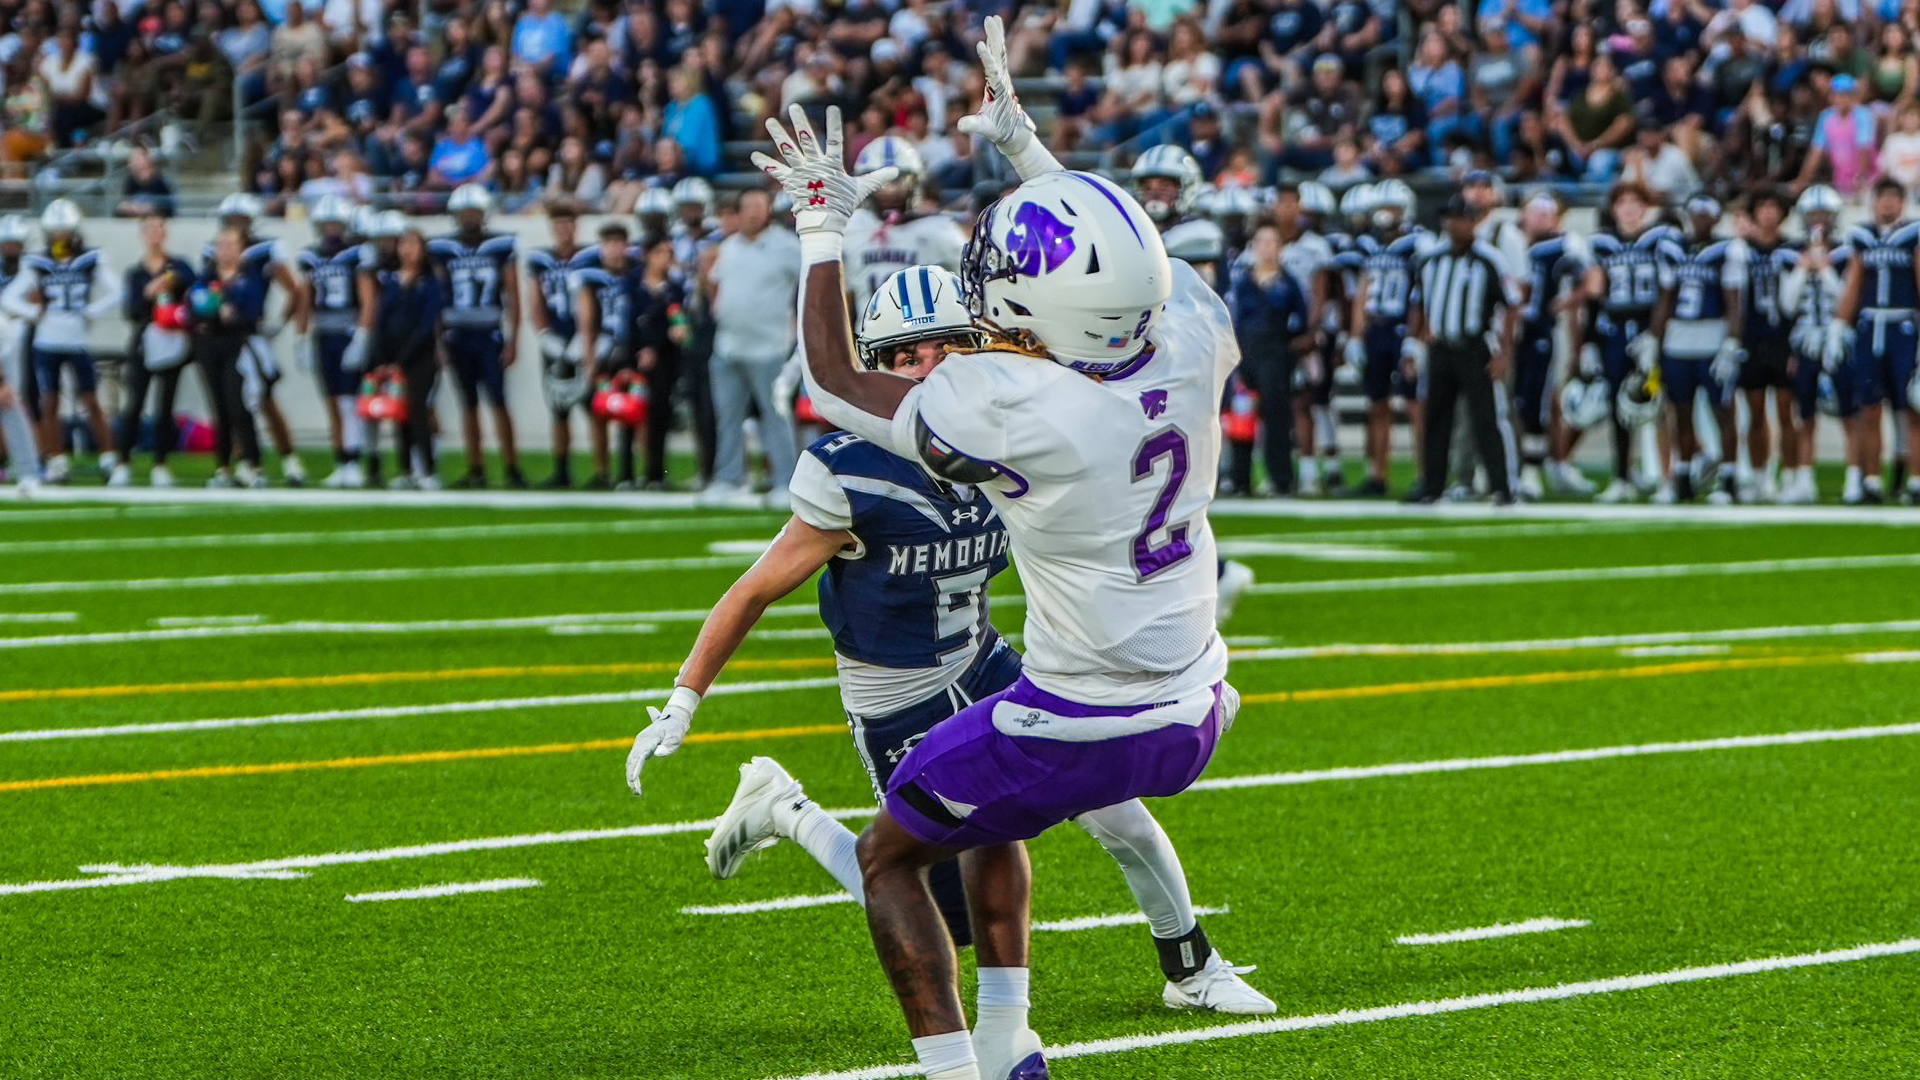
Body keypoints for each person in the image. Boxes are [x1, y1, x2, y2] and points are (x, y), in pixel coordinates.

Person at [730, 23, 1241, 1075]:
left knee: (889, 856)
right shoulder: (1193, 322)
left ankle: (955, 1071)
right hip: (1198, 709)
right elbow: (1115, 260)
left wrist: (823, 227)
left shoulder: (1021, 410)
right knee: (993, 816)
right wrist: (1028, 153)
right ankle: (1015, 1043)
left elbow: (828, 381)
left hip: (1082, 718)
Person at [632, 264, 1271, 1030]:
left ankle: (1191, 963)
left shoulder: (1010, 440)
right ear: (878, 367)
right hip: (896, 693)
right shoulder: (852, 473)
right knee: (928, 893)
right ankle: (789, 809)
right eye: (907, 357)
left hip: (986, 661)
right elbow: (753, 591)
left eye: (945, 349)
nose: (928, 370)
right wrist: (682, 699)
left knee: (1118, 809)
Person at [1406, 194, 1518, 504]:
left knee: (1488, 418)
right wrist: (1412, 345)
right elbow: (1419, 303)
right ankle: (1432, 485)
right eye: (1448, 219)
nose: (1452, 225)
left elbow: (1511, 305)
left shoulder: (1489, 258)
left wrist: (1503, 352)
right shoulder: (1432, 258)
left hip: (1475, 346)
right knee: (1436, 418)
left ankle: (1503, 486)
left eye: (1458, 218)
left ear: (1472, 222)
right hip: (1441, 346)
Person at [0, 199, 120, 486]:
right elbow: (8, 298)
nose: (60, 237)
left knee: (91, 399)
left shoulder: (91, 259)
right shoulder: (37, 263)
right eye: (55, 232)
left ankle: (108, 457)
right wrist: (36, 314)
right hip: (47, 340)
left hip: (77, 339)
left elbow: (116, 291)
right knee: (49, 401)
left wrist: (92, 312)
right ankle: (55, 458)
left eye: (64, 231)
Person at [1583, 183, 1684, 503]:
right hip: (1614, 331)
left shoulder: (1659, 240)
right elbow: (1594, 294)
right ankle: (1623, 477)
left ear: (1646, 207)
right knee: (1619, 407)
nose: (1628, 209)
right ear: (1613, 209)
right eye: (1621, 202)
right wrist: (1588, 341)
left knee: (1658, 403)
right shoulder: (1602, 244)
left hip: (1646, 329)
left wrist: (1654, 335)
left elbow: (1668, 290)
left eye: (1634, 202)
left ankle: (1668, 477)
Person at [704, 187, 801, 508]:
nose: (753, 212)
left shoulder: (787, 247)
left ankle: (785, 480)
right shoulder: (729, 247)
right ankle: (729, 479)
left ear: (768, 210)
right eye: (748, 206)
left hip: (770, 347)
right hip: (728, 346)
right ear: (739, 210)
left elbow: (810, 285)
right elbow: (714, 283)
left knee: (776, 416)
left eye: (759, 206)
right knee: (727, 416)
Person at [1649, 194, 1745, 504]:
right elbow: (1666, 296)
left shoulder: (1727, 250)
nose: (1700, 218)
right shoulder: (1672, 249)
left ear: (1717, 218)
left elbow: (1734, 300)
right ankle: (1682, 475)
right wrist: (1654, 337)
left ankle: (1728, 479)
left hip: (1711, 336)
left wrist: (1732, 342)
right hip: (1678, 339)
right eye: (1695, 213)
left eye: (1706, 213)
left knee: (1723, 410)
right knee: (1680, 410)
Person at [206, 193, 307, 486]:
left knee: (264, 399)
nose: (236, 225)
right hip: (224, 336)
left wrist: (278, 324)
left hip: (252, 334)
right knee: (234, 402)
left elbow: (295, 289)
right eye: (231, 220)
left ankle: (289, 460)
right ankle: (244, 463)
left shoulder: (264, 250)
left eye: (242, 220)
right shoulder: (216, 252)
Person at [429, 183, 526, 488]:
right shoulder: (442, 249)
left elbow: (512, 294)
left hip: (490, 332)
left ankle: (512, 467)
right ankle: (477, 468)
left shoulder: (500, 245)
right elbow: (436, 297)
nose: (469, 217)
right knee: (467, 403)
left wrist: (513, 338)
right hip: (457, 333)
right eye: (464, 212)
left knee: (499, 401)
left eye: (474, 211)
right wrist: (438, 340)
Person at [1834, 177, 1920, 504]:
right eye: (1882, 197)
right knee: (1869, 408)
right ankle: (1871, 480)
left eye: (1893, 198)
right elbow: (1854, 281)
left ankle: (1915, 481)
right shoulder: (1862, 236)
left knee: (1912, 409)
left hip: (1903, 326)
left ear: (1902, 202)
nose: (1887, 204)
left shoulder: (1912, 235)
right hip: (1871, 326)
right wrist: (1839, 325)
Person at [1348, 178, 1428, 497]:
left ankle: (1426, 474)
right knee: (1377, 404)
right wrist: (1355, 334)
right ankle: (1377, 475)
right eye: (1382, 208)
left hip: (1400, 327)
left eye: (1391, 207)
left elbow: (1423, 294)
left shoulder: (1418, 243)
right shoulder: (1370, 244)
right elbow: (1363, 289)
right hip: (1375, 330)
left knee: (1415, 405)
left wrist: (1415, 336)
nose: (1385, 214)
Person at [1513, 193, 1594, 498]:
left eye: (1545, 214)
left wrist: (1564, 303)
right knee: (1525, 402)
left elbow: (1592, 281)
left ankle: (1540, 468)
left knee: (1542, 401)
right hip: (1517, 333)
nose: (1539, 219)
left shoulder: (1563, 244)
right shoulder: (1512, 240)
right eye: (1534, 212)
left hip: (1546, 332)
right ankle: (1547, 464)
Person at [112, 213, 196, 488]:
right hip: (145, 339)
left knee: (165, 405)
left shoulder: (177, 266)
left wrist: (168, 282)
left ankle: (161, 462)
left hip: (171, 339)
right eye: (149, 229)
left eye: (159, 228)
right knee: (134, 403)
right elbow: (132, 309)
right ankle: (123, 461)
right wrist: (150, 292)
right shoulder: (136, 273)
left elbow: (190, 285)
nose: (154, 234)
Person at [295, 196, 374, 489]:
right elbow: (305, 298)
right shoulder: (311, 256)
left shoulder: (357, 254)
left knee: (349, 403)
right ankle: (342, 461)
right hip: (323, 334)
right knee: (332, 403)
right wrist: (301, 336)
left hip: (347, 331)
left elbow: (368, 297)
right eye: (326, 224)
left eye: (335, 224)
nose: (331, 229)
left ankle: (354, 461)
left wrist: (363, 334)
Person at [1230, 222, 1314, 498]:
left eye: (1272, 242)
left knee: (1278, 417)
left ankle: (1280, 478)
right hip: (1246, 353)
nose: (1267, 248)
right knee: (1242, 417)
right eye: (1261, 242)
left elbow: (1301, 322)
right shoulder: (1243, 282)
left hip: (1276, 354)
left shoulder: (1289, 284)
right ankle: (1239, 478)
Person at [843, 137, 966, 314]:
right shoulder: (853, 227)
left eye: (899, 181)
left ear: (916, 182)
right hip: (867, 336)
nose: (889, 191)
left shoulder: (938, 229)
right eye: (880, 183)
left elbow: (970, 289)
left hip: (923, 334)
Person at [1736, 189, 1805, 504]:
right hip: (1752, 337)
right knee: (1754, 412)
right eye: (1761, 206)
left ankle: (1790, 476)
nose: (1767, 213)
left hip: (1782, 338)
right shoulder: (1740, 251)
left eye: (1772, 207)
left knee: (1785, 411)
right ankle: (1760, 476)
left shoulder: (1792, 251)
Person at [1779, 184, 1847, 504]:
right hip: (1805, 340)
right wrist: (1803, 270)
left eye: (1825, 215)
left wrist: (1827, 270)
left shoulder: (1845, 252)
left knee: (1850, 412)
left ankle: (1855, 476)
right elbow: (1788, 304)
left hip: (1837, 340)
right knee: (1804, 414)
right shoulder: (1792, 253)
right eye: (1814, 215)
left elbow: (1845, 299)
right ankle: (1805, 478)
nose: (1819, 221)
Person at [193, 227, 268, 488]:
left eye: (231, 244)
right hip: (210, 344)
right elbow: (194, 308)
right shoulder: (207, 277)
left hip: (238, 343)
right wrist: (212, 314)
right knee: (219, 408)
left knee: (239, 404)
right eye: (221, 244)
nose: (225, 250)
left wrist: (232, 314)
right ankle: (223, 466)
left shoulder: (249, 276)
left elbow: (255, 310)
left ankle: (252, 463)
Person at [573, 222, 646, 489]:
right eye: (608, 244)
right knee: (598, 407)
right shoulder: (592, 277)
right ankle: (602, 470)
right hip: (606, 352)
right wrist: (590, 358)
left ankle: (642, 471)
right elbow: (587, 320)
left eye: (619, 243)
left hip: (632, 350)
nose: (614, 250)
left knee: (637, 410)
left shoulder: (637, 276)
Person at [526, 200, 592, 489]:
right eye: (558, 224)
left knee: (594, 407)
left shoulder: (591, 256)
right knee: (558, 405)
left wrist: (588, 338)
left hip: (585, 340)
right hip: (557, 339)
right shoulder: (541, 259)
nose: (564, 230)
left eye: (568, 224)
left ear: (576, 226)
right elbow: (536, 299)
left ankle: (603, 471)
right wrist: (543, 334)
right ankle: (562, 470)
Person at [377, 228, 448, 489]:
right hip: (394, 356)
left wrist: (403, 358)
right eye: (403, 244)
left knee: (418, 408)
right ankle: (406, 469)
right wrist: (384, 356)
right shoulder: (392, 281)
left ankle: (427, 469)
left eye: (413, 244)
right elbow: (383, 319)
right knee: (401, 413)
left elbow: (426, 323)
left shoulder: (430, 282)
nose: (407, 249)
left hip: (420, 356)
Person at [0, 216, 37, 496]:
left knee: (9, 401)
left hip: (5, 340)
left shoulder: (29, 272)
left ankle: (28, 471)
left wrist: (2, 380)